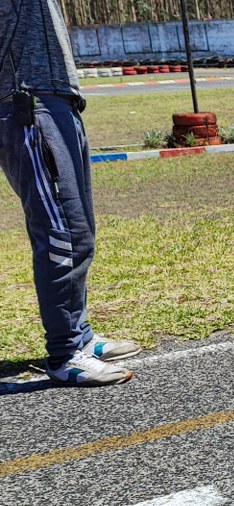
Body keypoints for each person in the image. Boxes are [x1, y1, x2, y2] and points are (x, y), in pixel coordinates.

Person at [1, 0, 138, 385]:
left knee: (79, 232)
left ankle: (79, 335)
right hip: (26, 99)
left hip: (57, 99)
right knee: (59, 233)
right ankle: (64, 353)